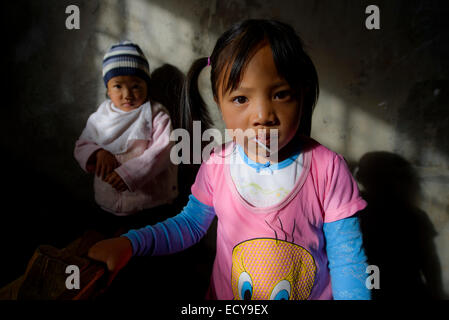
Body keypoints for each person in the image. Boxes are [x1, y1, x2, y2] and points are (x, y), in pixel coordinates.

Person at [88, 20, 371, 300]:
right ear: (218, 101)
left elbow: (348, 262)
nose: (263, 115)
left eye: (280, 94)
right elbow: (189, 225)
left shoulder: (328, 168)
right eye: (240, 99)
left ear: (302, 92)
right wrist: (131, 243)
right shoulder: (217, 165)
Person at [74, 41, 178, 234]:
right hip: (108, 203)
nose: (127, 94)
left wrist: (130, 174)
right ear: (107, 89)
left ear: (147, 85)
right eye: (118, 86)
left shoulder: (156, 114)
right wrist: (97, 153)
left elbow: (163, 150)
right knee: (109, 247)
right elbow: (82, 145)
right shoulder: (101, 116)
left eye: (136, 86)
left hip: (149, 204)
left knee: (145, 246)